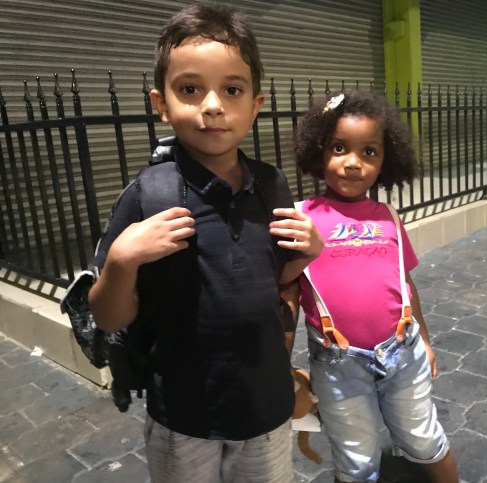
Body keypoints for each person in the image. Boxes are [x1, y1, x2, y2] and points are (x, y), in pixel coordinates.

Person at [88, 4, 322, 482]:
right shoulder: (148, 195)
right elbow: (109, 318)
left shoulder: (271, 186)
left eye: (232, 90)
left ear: (255, 104)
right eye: (190, 89)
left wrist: (308, 254)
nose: (212, 106)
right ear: (161, 103)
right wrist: (121, 261)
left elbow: (272, 281)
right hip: (184, 416)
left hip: (265, 406)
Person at [284, 90, 459, 482]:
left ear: (385, 160)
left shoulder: (389, 218)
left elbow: (405, 283)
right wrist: (283, 366)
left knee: (425, 441)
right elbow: (286, 294)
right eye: (339, 148)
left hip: (404, 353)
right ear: (318, 152)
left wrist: (425, 339)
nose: (353, 162)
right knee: (357, 463)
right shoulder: (302, 219)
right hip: (338, 365)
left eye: (369, 152)